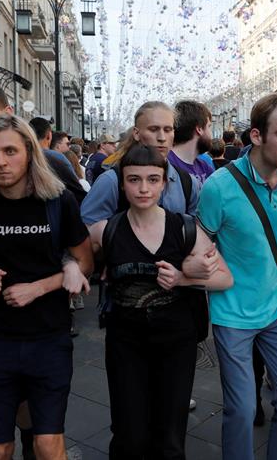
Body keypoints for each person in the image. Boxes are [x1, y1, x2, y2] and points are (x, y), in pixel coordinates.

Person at [0, 114, 93, 460]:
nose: (1, 162)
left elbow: (85, 262)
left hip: (48, 338)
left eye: (10, 151)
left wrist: (39, 287)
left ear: (28, 152)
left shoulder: (57, 201)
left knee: (47, 445)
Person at [196, 91, 277, 460]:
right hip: (232, 311)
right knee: (240, 411)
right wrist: (196, 271)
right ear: (257, 136)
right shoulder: (219, 187)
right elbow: (199, 241)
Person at [88, 144, 232, 458]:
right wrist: (72, 269)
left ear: (164, 183)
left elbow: (225, 278)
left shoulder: (185, 228)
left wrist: (184, 278)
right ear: (122, 183)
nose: (143, 188)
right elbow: (77, 260)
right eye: (134, 179)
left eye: (153, 180)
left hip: (175, 343)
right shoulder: (106, 230)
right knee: (129, 434)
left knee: (170, 437)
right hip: (125, 343)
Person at [168, 100, 215, 185]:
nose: (211, 134)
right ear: (199, 129)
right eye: (209, 127)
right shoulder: (166, 165)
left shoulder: (204, 167)